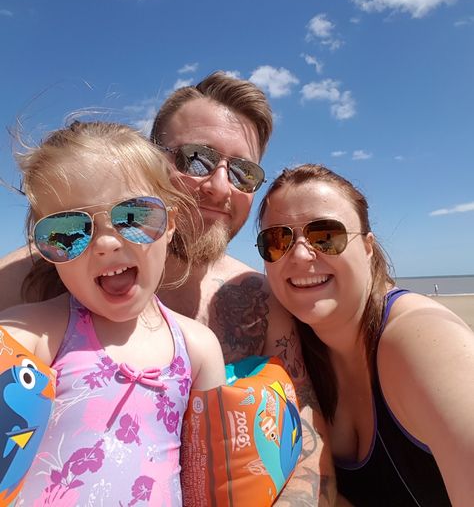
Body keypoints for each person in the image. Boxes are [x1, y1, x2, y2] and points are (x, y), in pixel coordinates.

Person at [0, 73, 336, 505]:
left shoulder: (259, 301)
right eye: (197, 158)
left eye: (243, 172)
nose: (219, 187)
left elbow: (304, 437)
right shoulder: (30, 276)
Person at [1, 120, 226, 505]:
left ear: (170, 223)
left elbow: (209, 478)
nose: (106, 243)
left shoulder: (198, 347)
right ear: (46, 248)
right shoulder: (41, 333)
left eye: (134, 217)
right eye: (68, 231)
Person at [256, 163, 474, 507]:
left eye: (325, 236)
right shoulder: (296, 348)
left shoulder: (422, 339)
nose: (298, 255)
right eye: (277, 240)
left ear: (368, 247)